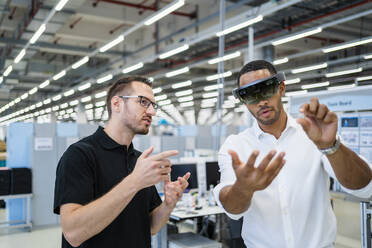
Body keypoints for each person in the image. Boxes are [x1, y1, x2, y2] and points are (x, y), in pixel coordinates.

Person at [213, 60, 372, 247]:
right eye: (251, 96)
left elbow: (364, 187)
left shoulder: (315, 134)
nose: (261, 102)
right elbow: (233, 210)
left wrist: (331, 146)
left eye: (266, 90)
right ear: (244, 102)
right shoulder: (236, 146)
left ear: (281, 88)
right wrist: (244, 188)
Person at [54, 76, 190, 248]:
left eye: (153, 105)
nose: (152, 112)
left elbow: (150, 227)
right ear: (117, 104)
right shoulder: (80, 155)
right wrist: (134, 181)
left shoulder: (139, 161)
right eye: (143, 102)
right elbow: (73, 233)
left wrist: (168, 204)